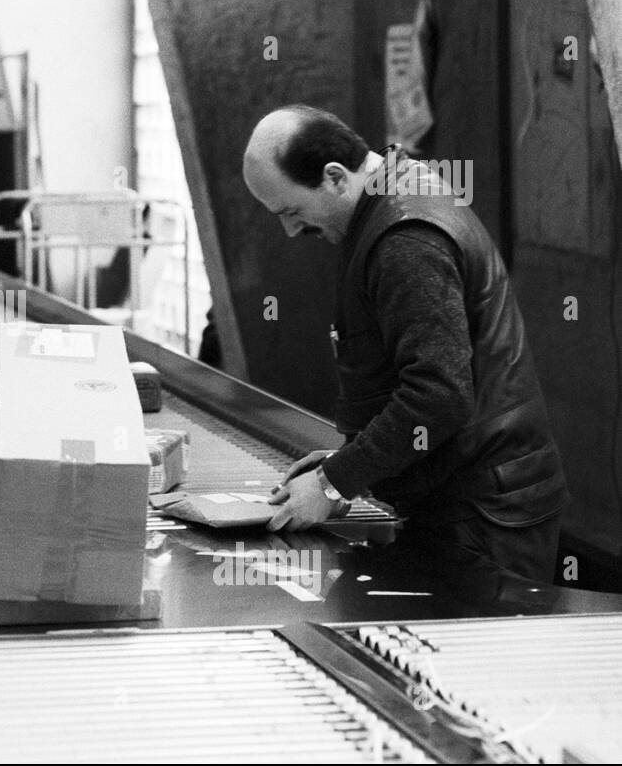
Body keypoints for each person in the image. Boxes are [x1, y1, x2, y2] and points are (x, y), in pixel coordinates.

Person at [243, 105, 568, 583]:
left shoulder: (405, 239)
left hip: (486, 512)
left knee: (468, 654)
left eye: (292, 211)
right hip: (468, 496)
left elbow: (437, 397)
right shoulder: (392, 198)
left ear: (335, 177)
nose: (291, 231)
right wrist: (346, 462)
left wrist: (334, 483)